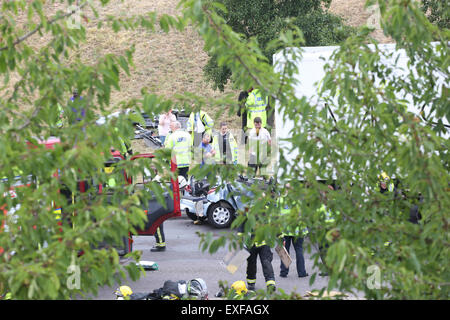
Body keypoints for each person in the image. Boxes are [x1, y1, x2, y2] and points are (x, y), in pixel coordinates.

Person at [237, 206, 276, 292]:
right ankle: (251, 283)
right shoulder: (246, 210)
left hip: (264, 243)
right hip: (251, 243)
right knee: (251, 264)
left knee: (266, 263)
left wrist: (280, 236)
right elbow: (241, 225)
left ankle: (270, 284)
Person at [278, 193, 309, 278]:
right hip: (297, 230)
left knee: (284, 250)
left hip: (285, 230)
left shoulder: (280, 200)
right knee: (299, 250)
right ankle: (301, 272)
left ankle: (283, 272)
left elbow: (276, 215)